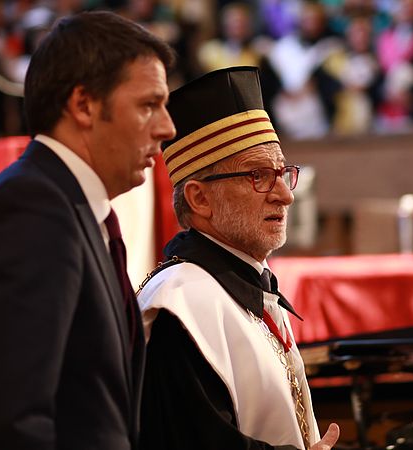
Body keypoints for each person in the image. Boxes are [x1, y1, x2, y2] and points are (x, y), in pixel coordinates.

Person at [0, 11, 175, 450]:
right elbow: (9, 427)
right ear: (83, 105)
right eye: (148, 105)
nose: (167, 127)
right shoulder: (32, 211)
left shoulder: (68, 205)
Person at [137, 66, 340, 450]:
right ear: (199, 198)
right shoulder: (181, 303)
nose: (286, 194)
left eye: (283, 172)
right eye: (258, 176)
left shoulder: (246, 283)